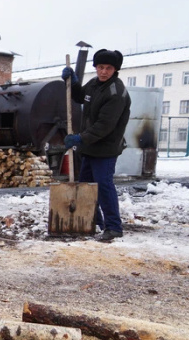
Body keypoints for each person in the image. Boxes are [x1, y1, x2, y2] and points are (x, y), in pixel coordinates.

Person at [62, 49, 132, 241]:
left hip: (106, 148)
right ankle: (94, 222)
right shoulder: (94, 84)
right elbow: (78, 96)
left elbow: (104, 126)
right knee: (86, 186)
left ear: (115, 70)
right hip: (90, 147)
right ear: (95, 67)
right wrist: (72, 82)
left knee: (103, 186)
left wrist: (80, 138)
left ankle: (113, 228)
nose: (103, 71)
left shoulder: (115, 92)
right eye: (100, 67)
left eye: (108, 68)